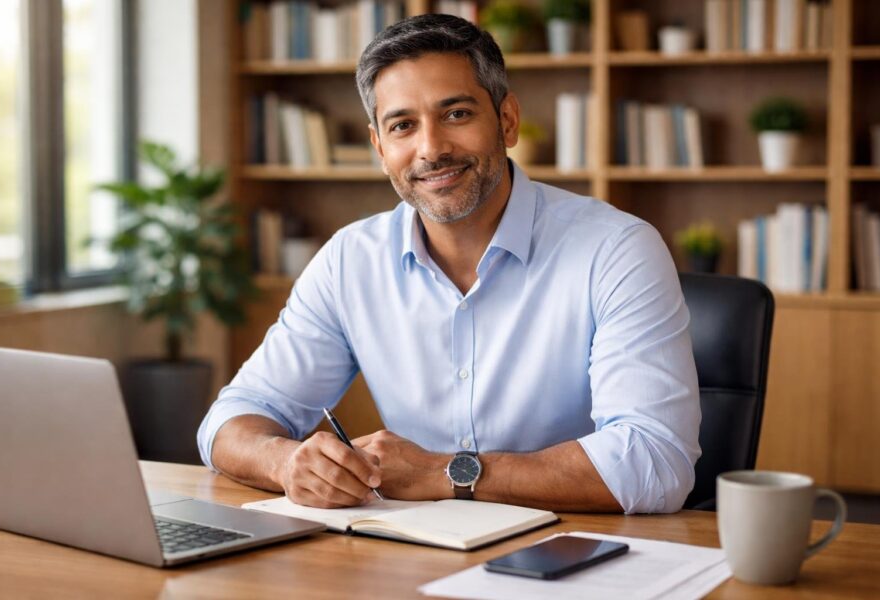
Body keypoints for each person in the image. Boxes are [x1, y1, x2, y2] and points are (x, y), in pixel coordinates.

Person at [197, 14, 700, 514]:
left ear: (506, 121)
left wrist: (443, 472)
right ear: (379, 147)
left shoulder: (616, 250)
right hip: (413, 553)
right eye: (402, 126)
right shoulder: (350, 260)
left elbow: (655, 462)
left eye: (456, 114)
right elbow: (231, 421)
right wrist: (286, 463)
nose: (431, 148)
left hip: (575, 550)